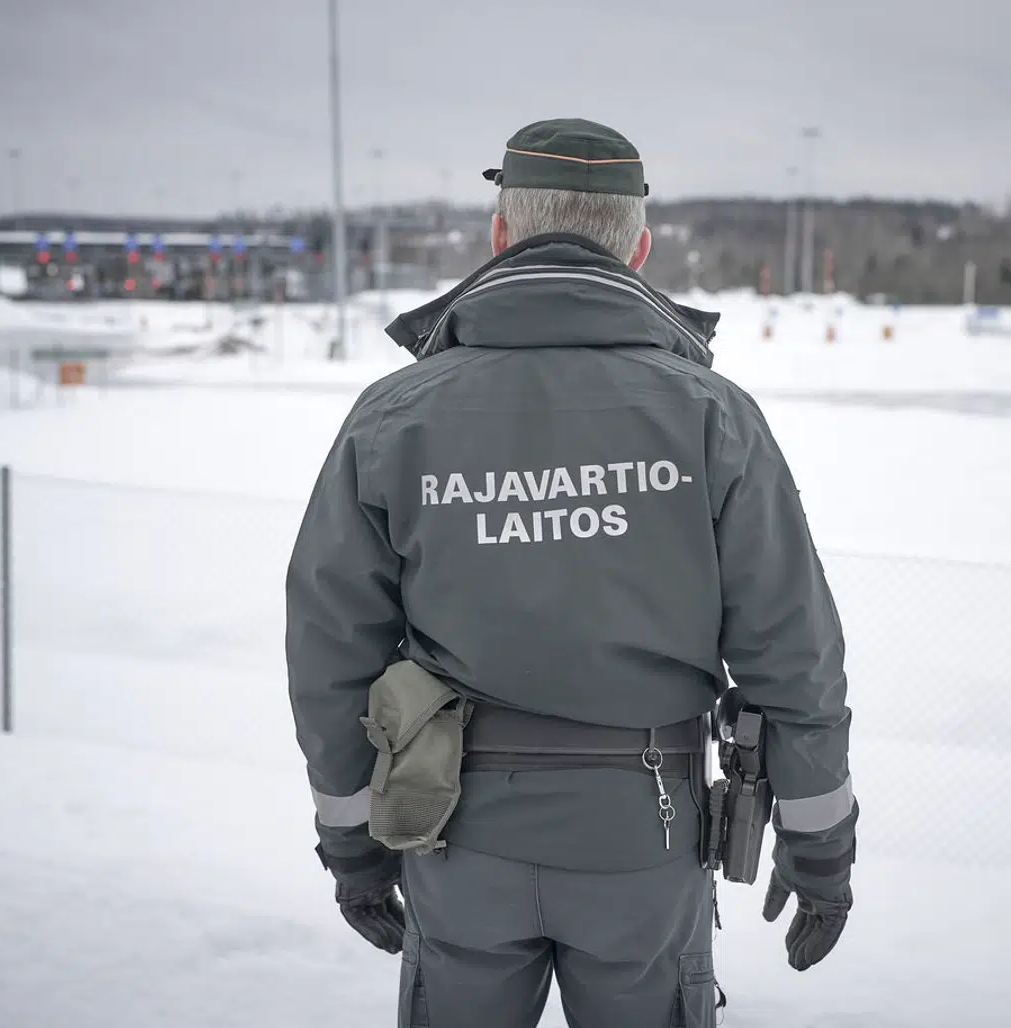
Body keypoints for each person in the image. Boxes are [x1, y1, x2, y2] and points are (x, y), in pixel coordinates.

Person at [286, 118, 857, 1028]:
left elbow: (331, 649)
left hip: (455, 840)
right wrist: (819, 840)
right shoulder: (711, 417)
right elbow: (792, 649)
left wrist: (353, 842)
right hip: (645, 840)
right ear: (637, 248)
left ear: (500, 233)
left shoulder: (394, 417)